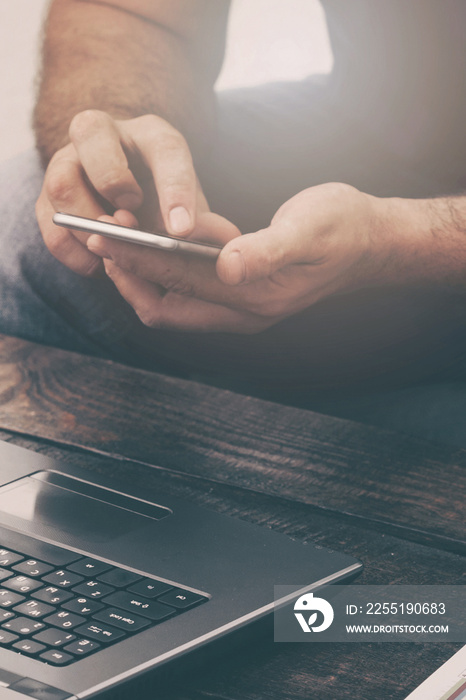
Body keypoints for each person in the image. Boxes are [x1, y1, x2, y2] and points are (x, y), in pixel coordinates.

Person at [2, 0, 466, 446]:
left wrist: (396, 241)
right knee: (25, 225)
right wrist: (120, 135)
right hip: (381, 127)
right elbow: (125, 11)